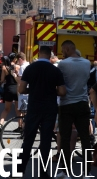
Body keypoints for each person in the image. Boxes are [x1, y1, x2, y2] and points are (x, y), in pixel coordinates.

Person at [17, 45, 66, 178]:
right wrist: (51, 91)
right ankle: (43, 174)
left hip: (34, 108)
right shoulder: (55, 70)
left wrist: (32, 90)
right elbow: (62, 91)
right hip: (49, 109)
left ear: (39, 54)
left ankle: (19, 171)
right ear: (50, 55)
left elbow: (21, 89)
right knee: (46, 142)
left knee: (28, 140)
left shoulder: (30, 68)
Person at [56, 40, 91, 178]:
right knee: (85, 139)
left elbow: (60, 82)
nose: (62, 52)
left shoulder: (63, 64)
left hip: (66, 105)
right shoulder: (87, 63)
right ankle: (86, 173)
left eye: (63, 50)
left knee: (65, 139)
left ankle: (66, 172)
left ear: (68, 48)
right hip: (82, 103)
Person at [0, 56, 19, 132]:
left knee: (6, 109)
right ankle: (20, 126)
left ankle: (0, 124)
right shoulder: (17, 67)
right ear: (15, 59)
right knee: (18, 109)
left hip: (8, 88)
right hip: (17, 88)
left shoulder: (4, 68)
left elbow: (2, 80)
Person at [16, 52, 29, 116]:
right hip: (29, 91)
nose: (18, 63)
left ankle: (24, 126)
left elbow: (20, 81)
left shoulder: (22, 67)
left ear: (20, 59)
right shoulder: (29, 65)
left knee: (23, 113)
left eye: (18, 61)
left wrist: (15, 76)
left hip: (23, 93)